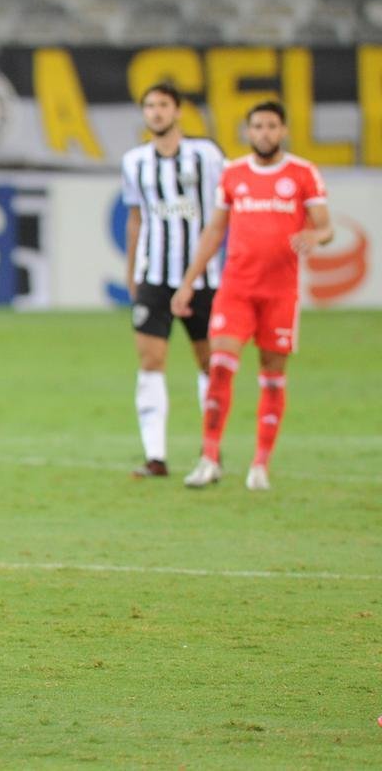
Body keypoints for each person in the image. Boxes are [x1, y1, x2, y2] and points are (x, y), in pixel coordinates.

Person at [170, 101, 331, 490]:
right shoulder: (234, 174)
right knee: (220, 368)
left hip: (280, 294)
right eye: (257, 126)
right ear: (248, 131)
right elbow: (214, 231)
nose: (264, 133)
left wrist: (314, 235)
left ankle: (260, 464)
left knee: (272, 377)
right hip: (236, 290)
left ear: (283, 130)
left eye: (271, 126)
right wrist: (189, 280)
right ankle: (209, 458)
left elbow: (325, 228)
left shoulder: (302, 174)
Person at [121, 82, 226, 478]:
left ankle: (210, 452)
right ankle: (155, 456)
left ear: (177, 110)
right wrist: (131, 270)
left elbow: (223, 213)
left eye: (163, 105)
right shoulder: (135, 161)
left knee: (209, 362)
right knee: (150, 361)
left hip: (203, 279)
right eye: (149, 106)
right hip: (154, 276)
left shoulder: (208, 156)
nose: (156, 112)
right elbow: (135, 219)